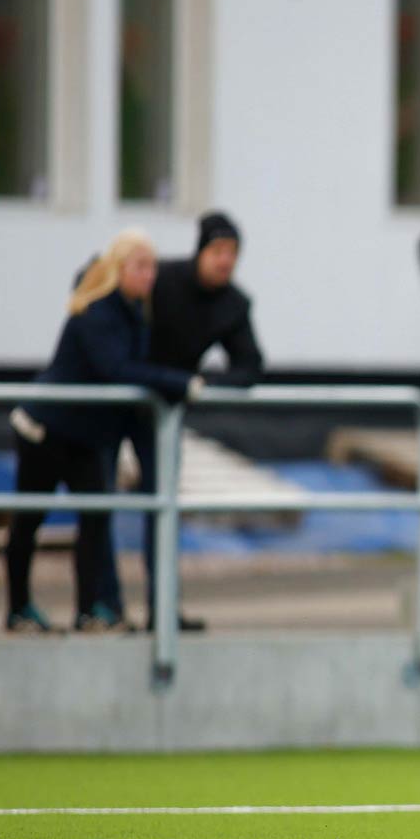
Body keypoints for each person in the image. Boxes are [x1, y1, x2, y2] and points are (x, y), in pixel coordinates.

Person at [5, 230, 202, 634]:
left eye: (153, 267)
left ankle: (88, 612)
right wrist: (178, 382)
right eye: (141, 267)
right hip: (46, 430)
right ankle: (19, 607)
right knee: (29, 521)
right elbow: (114, 369)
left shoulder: (134, 312)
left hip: (84, 436)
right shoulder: (97, 311)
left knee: (95, 522)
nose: (150, 276)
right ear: (118, 268)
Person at [101, 210, 264, 632]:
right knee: (97, 502)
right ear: (201, 251)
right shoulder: (162, 279)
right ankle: (103, 608)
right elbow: (106, 301)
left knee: (164, 509)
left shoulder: (233, 304)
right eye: (218, 251)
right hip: (118, 396)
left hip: (165, 412)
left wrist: (201, 383)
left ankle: (163, 610)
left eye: (233, 253)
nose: (225, 261)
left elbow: (250, 364)